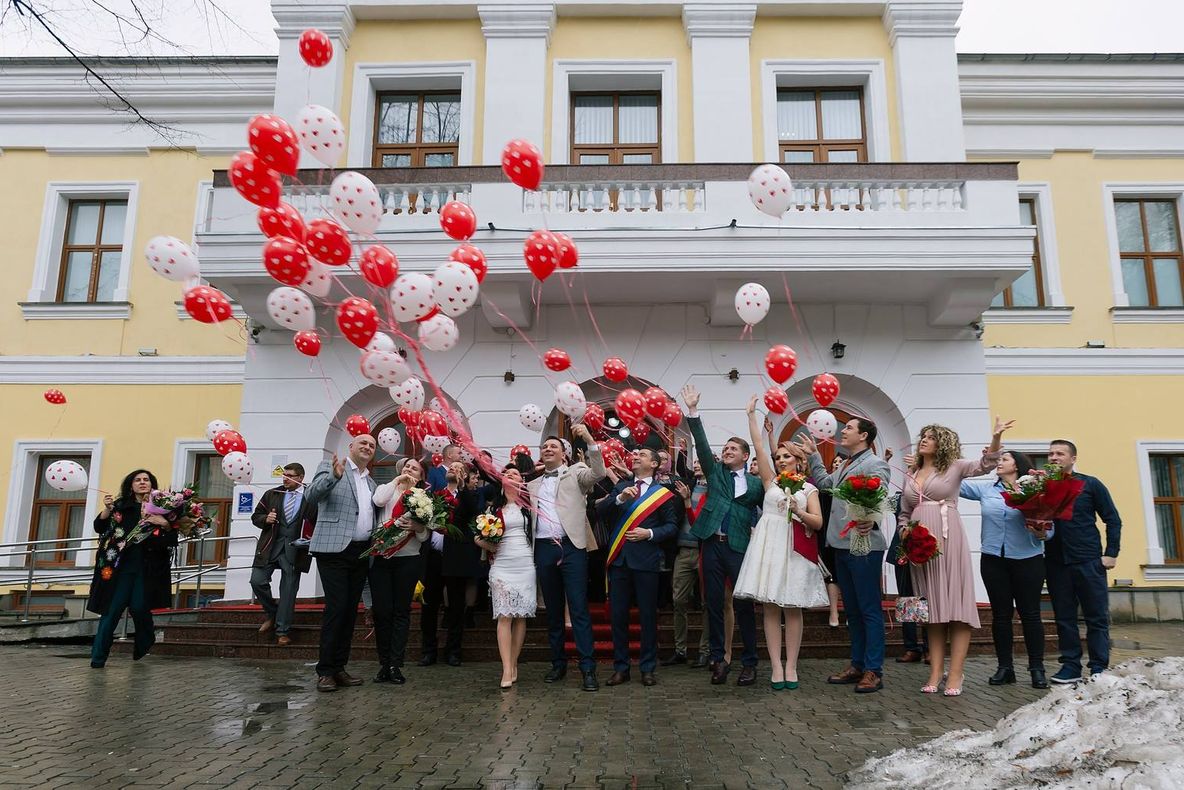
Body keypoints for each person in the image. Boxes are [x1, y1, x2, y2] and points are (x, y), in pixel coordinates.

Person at [898, 419, 1010, 696]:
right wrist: (905, 533)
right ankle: (935, 672)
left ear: (943, 443)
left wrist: (995, 438)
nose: (923, 439)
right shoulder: (911, 472)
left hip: (949, 541)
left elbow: (984, 464)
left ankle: (956, 674)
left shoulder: (955, 467)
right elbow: (904, 511)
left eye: (931, 437)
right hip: (920, 547)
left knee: (956, 607)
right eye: (923, 435)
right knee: (931, 611)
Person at [733, 397, 829, 689]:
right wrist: (751, 416)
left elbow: (818, 522)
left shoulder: (809, 488)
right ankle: (775, 666)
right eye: (779, 458)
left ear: (799, 460)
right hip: (770, 546)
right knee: (771, 607)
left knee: (793, 607)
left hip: (796, 547)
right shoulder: (770, 483)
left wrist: (799, 512)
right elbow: (760, 447)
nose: (780, 460)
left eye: (786, 457)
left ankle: (792, 666)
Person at [680, 384, 764, 687]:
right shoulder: (716, 474)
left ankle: (750, 663)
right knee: (713, 603)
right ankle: (719, 659)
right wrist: (693, 412)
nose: (727, 451)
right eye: (725, 448)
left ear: (745, 455)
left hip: (739, 547)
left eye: (733, 449)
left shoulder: (755, 484)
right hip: (711, 545)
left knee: (742, 606)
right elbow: (702, 446)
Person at [799, 417, 891, 693]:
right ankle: (858, 664)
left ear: (863, 436)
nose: (843, 431)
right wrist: (814, 455)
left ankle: (873, 670)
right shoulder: (848, 463)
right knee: (851, 609)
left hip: (863, 544)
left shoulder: (875, 463)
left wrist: (872, 520)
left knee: (869, 609)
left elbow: (882, 496)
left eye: (849, 428)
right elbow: (827, 485)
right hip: (840, 544)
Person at [960, 450, 1052, 689]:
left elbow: (1050, 530)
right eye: (998, 460)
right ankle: (1005, 668)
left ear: (1017, 465)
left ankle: (1036, 669)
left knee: (1030, 615)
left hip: (1028, 559)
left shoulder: (1035, 490)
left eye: (1004, 460)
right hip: (993, 559)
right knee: (1001, 616)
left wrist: (1041, 531)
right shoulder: (986, 490)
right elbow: (954, 483)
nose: (999, 463)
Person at [529, 422, 605, 691]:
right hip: (544, 547)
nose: (548, 449)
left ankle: (587, 668)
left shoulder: (576, 472)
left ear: (565, 454)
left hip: (572, 547)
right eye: (545, 446)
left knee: (578, 608)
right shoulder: (533, 484)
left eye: (554, 446)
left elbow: (599, 472)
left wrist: (590, 440)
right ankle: (558, 663)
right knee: (551, 610)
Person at [596, 447, 679, 686]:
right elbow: (600, 512)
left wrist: (650, 533)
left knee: (647, 617)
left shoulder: (662, 493)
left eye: (642, 455)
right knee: (618, 617)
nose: (635, 457)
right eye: (635, 455)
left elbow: (672, 526)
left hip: (646, 562)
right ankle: (621, 668)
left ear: (654, 464)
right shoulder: (621, 487)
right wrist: (620, 499)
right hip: (620, 561)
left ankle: (647, 668)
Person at [1045, 439, 1122, 684]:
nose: (1054, 458)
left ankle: (1099, 667)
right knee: (1064, 617)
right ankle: (1070, 666)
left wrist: (1111, 553)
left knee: (1096, 616)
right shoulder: (1042, 487)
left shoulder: (1090, 484)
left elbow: (1112, 518)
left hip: (1089, 560)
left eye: (1060, 453)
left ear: (1073, 459)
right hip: (1057, 562)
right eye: (1050, 454)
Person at [305, 433, 378, 692]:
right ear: (351, 447)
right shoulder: (331, 467)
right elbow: (311, 496)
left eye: (372, 445)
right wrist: (334, 476)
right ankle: (324, 671)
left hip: (359, 552)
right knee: (336, 609)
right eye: (363, 443)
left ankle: (339, 668)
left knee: (349, 612)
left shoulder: (370, 481)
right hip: (333, 550)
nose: (368, 447)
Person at [88, 469, 176, 668]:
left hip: (147, 570)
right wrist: (107, 510)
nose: (142, 483)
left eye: (146, 480)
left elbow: (172, 540)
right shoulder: (120, 506)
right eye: (138, 480)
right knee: (111, 612)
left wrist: (164, 523)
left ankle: (145, 642)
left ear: (152, 485)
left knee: (139, 608)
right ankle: (98, 658)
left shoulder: (163, 509)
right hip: (119, 569)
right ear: (131, 485)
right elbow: (100, 528)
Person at [369, 457, 431, 685]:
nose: (409, 469)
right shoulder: (389, 489)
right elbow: (377, 500)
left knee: (400, 612)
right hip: (383, 558)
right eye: (406, 466)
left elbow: (425, 536)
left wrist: (418, 527)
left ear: (421, 476)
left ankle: (396, 664)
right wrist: (397, 480)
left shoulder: (422, 499)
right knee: (382, 612)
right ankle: (384, 664)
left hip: (408, 559)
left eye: (414, 468)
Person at [475, 465, 536, 689]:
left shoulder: (530, 508)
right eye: (506, 473)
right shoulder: (492, 510)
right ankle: (506, 668)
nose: (510, 475)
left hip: (525, 562)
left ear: (522, 481)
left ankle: (514, 663)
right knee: (504, 615)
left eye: (515, 473)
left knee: (520, 616)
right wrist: (480, 542)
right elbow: (480, 539)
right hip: (501, 564)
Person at [249, 463, 317, 647]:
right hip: (270, 547)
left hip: (295, 550)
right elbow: (256, 516)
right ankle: (272, 612)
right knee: (257, 581)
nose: (285, 478)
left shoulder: (311, 497)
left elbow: (316, 520)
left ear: (301, 477)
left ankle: (282, 632)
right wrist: (266, 519)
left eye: (290, 475)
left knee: (288, 591)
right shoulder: (273, 494)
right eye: (284, 475)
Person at [665, 467, 711, 668]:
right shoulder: (686, 486)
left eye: (704, 462)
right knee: (678, 601)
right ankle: (680, 650)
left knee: (707, 603)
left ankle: (704, 651)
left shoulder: (717, 491)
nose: (699, 465)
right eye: (697, 462)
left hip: (705, 552)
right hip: (683, 551)